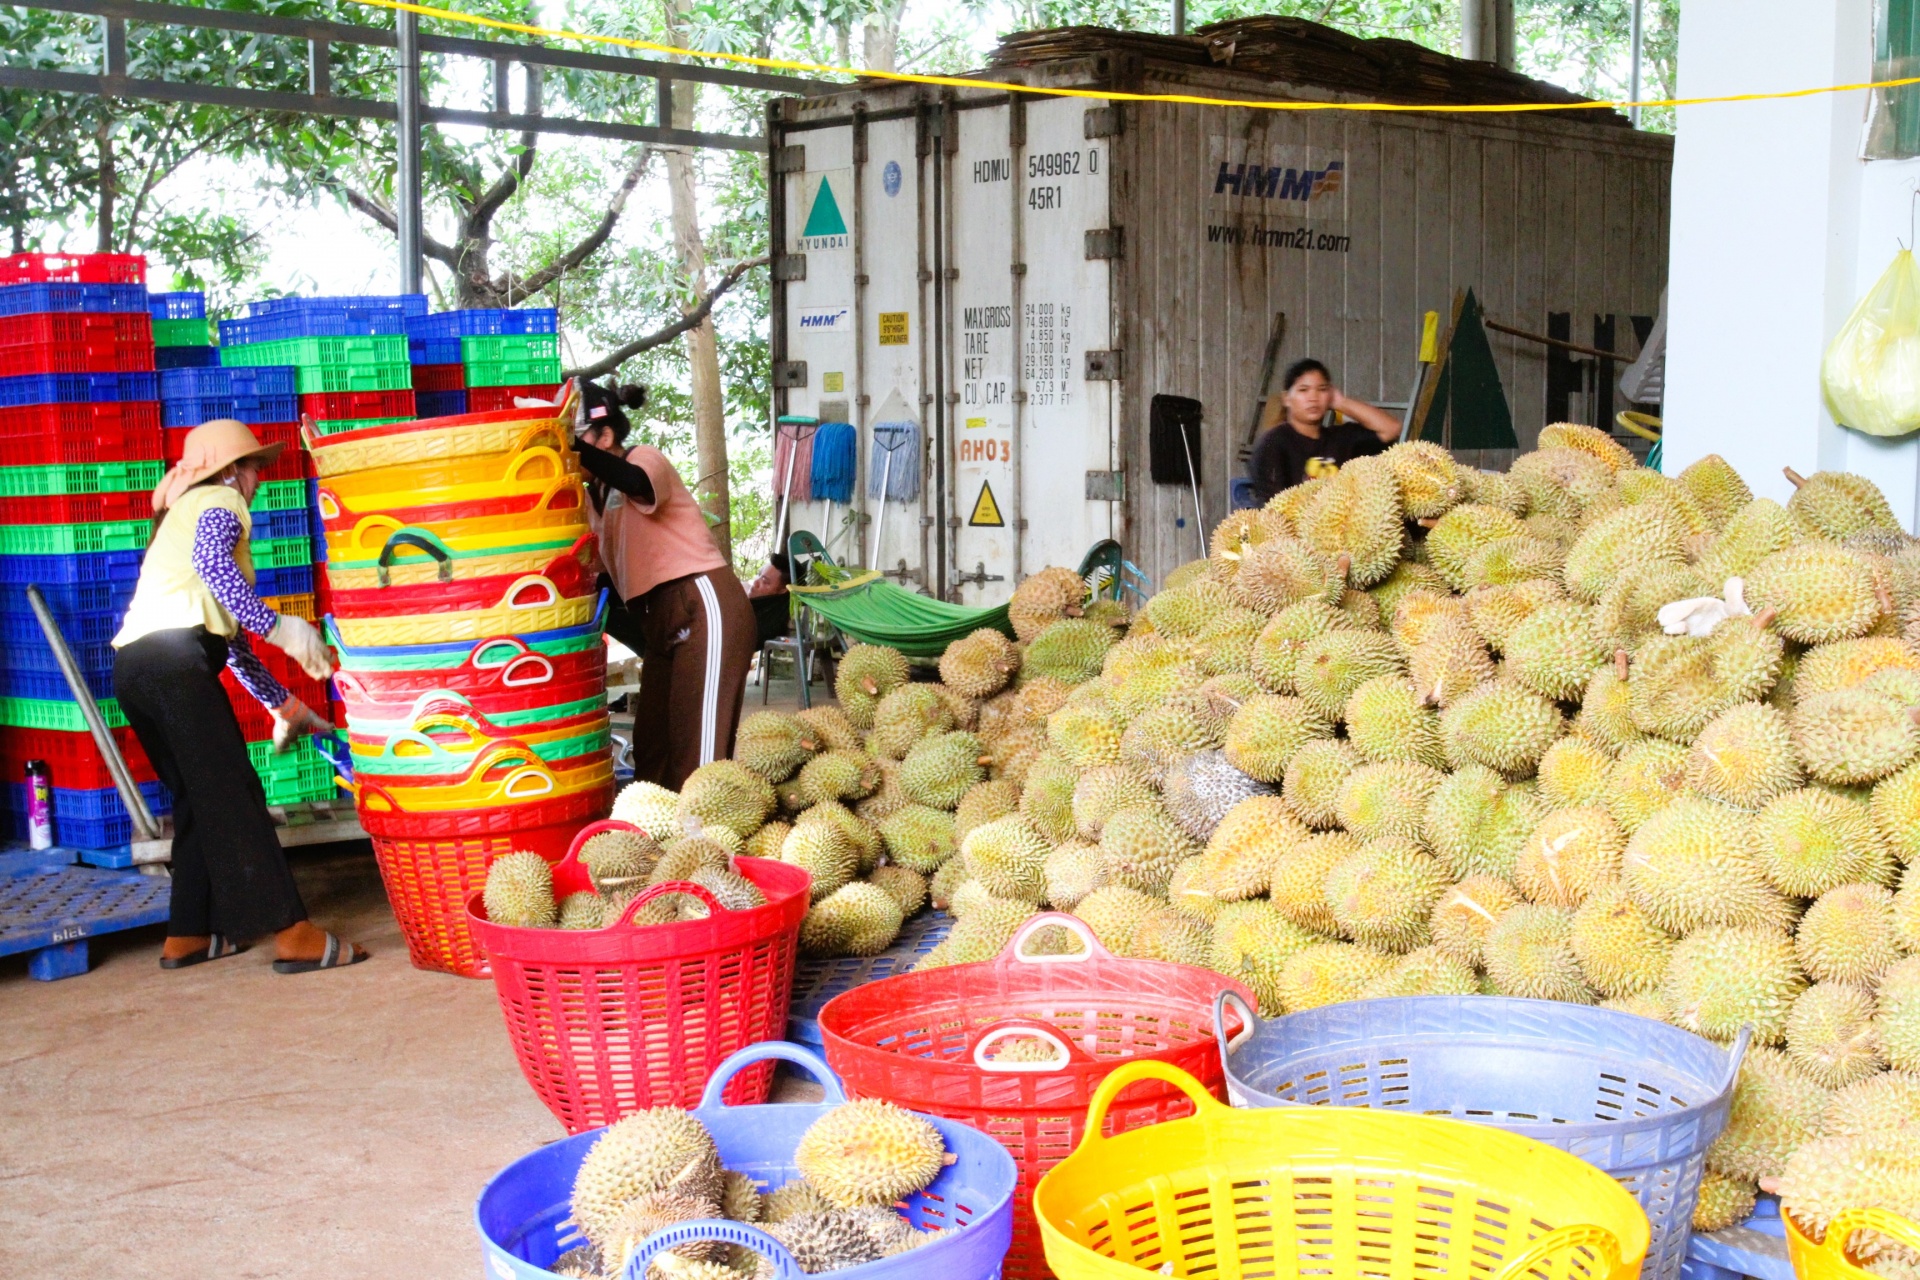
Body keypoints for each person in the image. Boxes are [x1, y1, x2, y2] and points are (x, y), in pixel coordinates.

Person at [111, 419, 367, 974]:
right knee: (235, 795)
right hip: (175, 666)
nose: (259, 480)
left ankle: (189, 934)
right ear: (230, 471)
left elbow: (223, 639)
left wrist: (284, 705)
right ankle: (293, 933)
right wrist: (286, 629)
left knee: (198, 800)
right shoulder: (221, 505)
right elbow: (215, 571)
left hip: (136, 671)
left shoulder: (180, 518)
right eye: (254, 467)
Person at [572, 380, 756, 790]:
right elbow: (596, 574)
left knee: (698, 753)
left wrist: (572, 447)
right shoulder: (594, 497)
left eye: (580, 439)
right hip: (658, 621)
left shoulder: (644, 458)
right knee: (653, 745)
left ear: (605, 435)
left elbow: (638, 483)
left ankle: (708, 844)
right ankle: (657, 845)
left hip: (702, 601)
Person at [1246, 358, 1403, 506]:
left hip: (1342, 526)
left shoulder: (1341, 439)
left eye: (1321, 390)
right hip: (1296, 529)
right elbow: (1272, 507)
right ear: (1287, 398)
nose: (1313, 397)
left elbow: (1391, 429)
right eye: (1303, 390)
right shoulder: (1273, 443)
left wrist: (1341, 402)